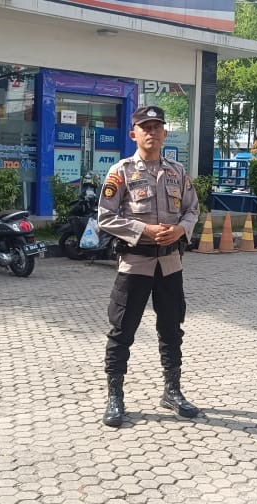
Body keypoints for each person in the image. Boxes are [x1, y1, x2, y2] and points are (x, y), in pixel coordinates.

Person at [96, 105, 200, 428]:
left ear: (164, 133)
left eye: (157, 127)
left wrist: (181, 229)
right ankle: (115, 396)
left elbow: (192, 209)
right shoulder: (122, 172)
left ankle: (172, 391)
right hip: (135, 264)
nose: (152, 132)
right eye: (145, 127)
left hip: (170, 264)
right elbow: (105, 216)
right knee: (122, 331)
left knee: (171, 329)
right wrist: (145, 230)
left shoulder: (177, 172)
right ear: (134, 134)